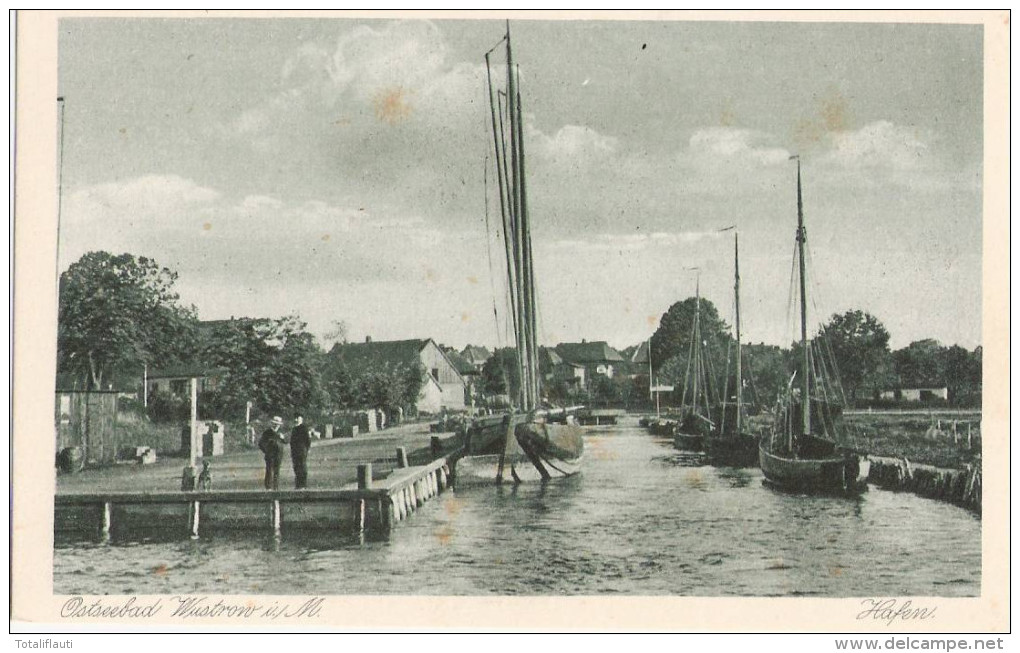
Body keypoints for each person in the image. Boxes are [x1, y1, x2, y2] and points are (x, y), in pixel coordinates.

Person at [258, 416, 286, 490]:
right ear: (272, 424)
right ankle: (268, 487)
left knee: (277, 471)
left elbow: (286, 441)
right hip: (270, 455)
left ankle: (275, 487)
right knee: (269, 470)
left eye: (278, 424)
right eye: (275, 424)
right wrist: (266, 450)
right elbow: (261, 443)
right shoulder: (267, 433)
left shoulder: (280, 433)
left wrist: (283, 438)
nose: (276, 425)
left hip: (279, 454)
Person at [290, 415, 312, 489]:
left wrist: (307, 449)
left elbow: (308, 440)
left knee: (302, 467)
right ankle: (298, 485)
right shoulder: (294, 428)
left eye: (298, 418)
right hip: (294, 451)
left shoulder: (304, 428)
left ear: (301, 420)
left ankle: (303, 485)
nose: (296, 420)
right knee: (296, 467)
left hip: (302, 450)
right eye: (295, 418)